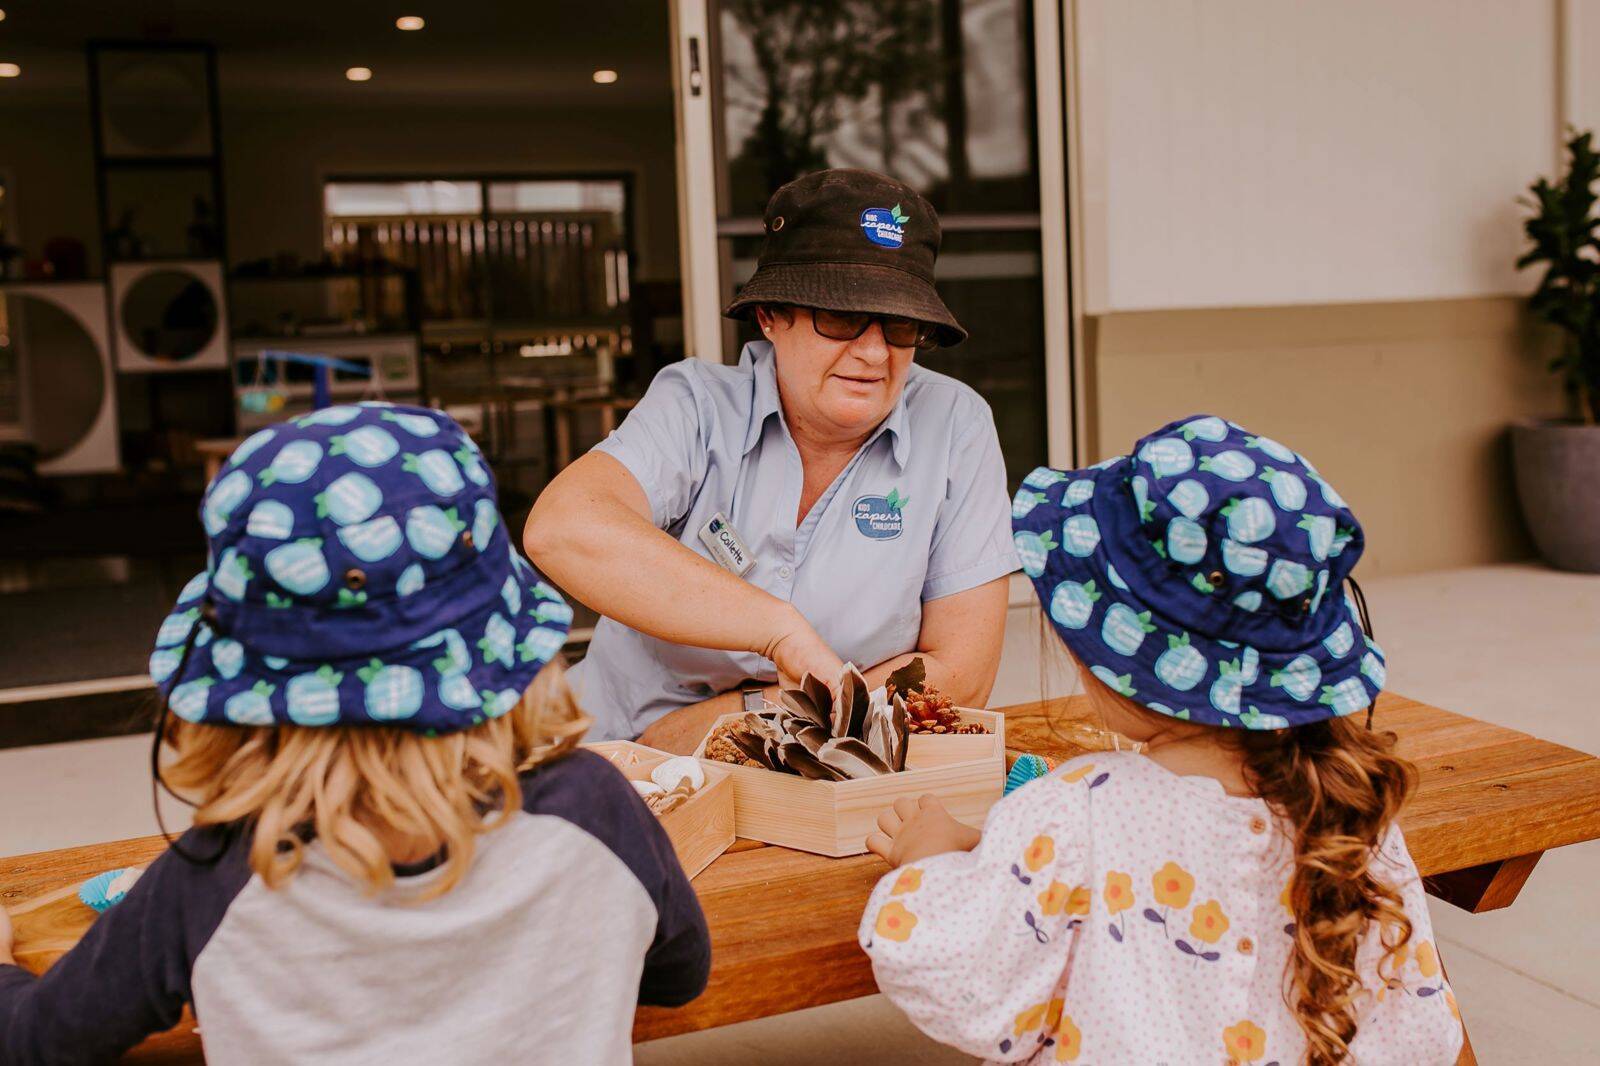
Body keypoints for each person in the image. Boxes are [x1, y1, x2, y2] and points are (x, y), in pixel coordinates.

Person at [0, 404, 709, 1065]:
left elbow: (34, 1043)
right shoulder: (594, 808)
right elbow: (679, 974)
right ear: (503, 653)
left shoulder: (215, 875)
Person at [858, 415, 1463, 1064]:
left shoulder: (1074, 811)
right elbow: (1423, 1034)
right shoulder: (1352, 813)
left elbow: (954, 976)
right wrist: (1004, 851)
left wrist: (927, 863)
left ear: (1114, 653)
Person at [525, 168, 1019, 750]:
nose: (873, 350)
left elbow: (962, 672)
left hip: (822, 767)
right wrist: (780, 633)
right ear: (770, 316)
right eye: (839, 317)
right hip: (624, 752)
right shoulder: (698, 405)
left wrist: (754, 714)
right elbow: (562, 528)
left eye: (901, 323)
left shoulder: (955, 423)